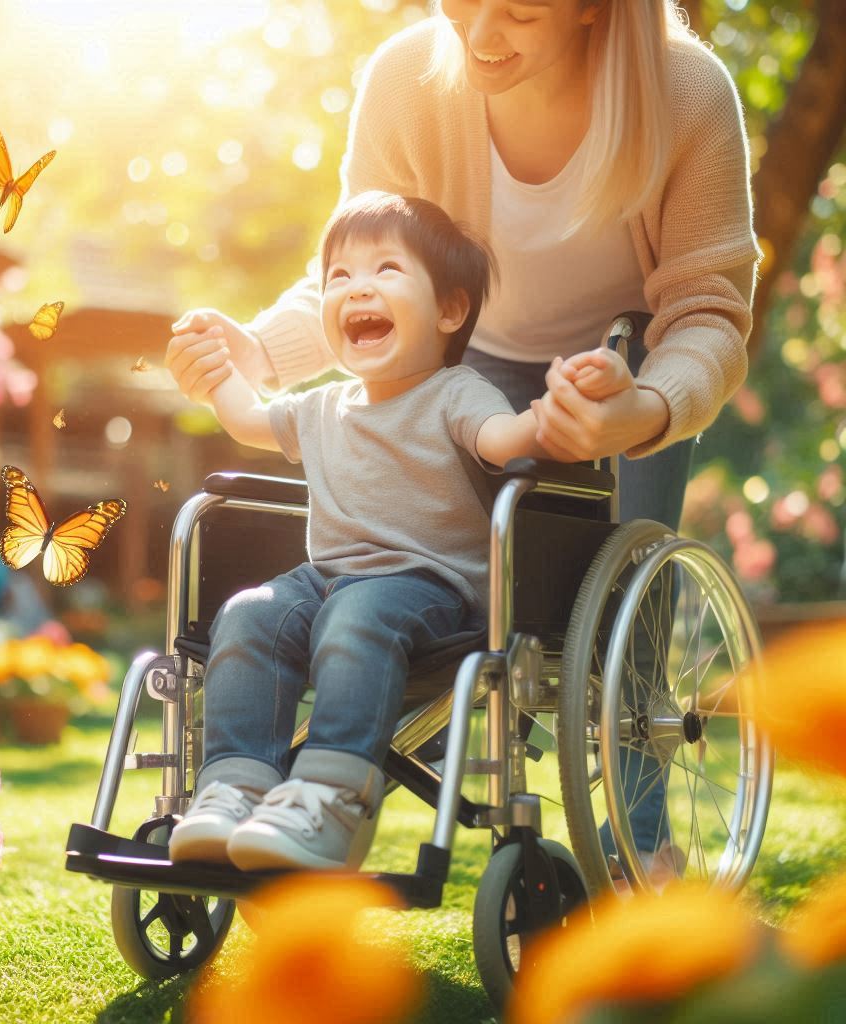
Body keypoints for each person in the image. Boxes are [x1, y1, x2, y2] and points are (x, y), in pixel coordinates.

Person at [164, 0, 762, 871]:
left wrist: (643, 409)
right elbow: (362, 257)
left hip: (624, 365)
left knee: (622, 613)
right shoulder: (409, 80)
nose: (480, 37)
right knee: (457, 603)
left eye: (519, 12)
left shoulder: (687, 92)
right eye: (463, 3)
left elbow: (708, 311)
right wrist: (256, 351)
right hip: (462, 359)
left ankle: (642, 839)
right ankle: (296, 779)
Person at [168, 192, 634, 871]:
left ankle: (330, 799)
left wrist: (566, 409)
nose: (358, 287)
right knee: (250, 615)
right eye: (339, 276)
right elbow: (247, 420)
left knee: (357, 613)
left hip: (432, 590)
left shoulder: (455, 393)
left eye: (386, 269)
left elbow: (507, 441)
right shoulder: (322, 404)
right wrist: (217, 370)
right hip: (327, 581)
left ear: (449, 309)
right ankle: (235, 789)